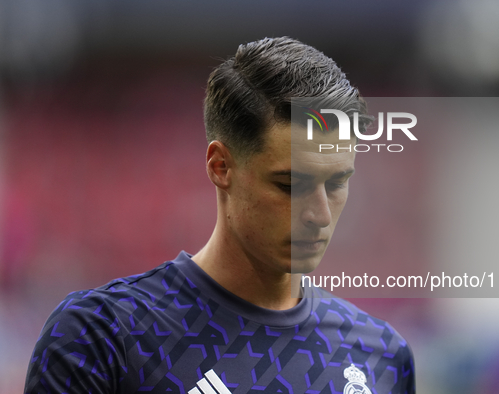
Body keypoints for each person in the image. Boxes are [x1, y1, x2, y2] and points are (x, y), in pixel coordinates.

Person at [24, 37, 415, 394]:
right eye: (290, 185)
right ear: (220, 166)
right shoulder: (104, 337)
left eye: (336, 184)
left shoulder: (381, 355)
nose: (320, 214)